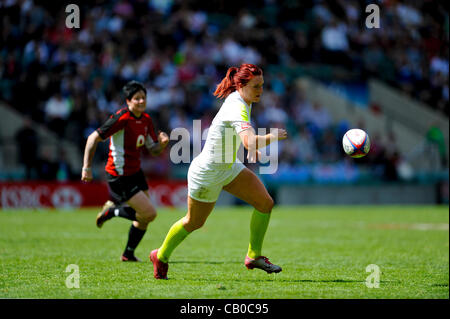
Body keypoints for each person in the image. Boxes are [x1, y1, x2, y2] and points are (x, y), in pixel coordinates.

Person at [149, 64, 288, 279]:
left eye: (262, 85)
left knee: (265, 203)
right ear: (241, 86)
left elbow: (242, 140)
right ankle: (161, 255)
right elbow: (250, 140)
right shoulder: (237, 106)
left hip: (228, 167)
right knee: (194, 222)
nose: (261, 90)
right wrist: (273, 136)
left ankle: (253, 256)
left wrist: (250, 149)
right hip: (208, 173)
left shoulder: (244, 99)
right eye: (256, 86)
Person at [81, 80, 169, 262]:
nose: (141, 101)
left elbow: (153, 150)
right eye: (136, 98)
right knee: (150, 213)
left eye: (143, 98)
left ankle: (128, 253)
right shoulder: (121, 118)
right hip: (119, 174)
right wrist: (86, 167)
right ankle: (112, 211)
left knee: (144, 217)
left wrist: (162, 144)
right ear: (128, 101)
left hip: (136, 172)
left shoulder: (146, 119)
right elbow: (92, 138)